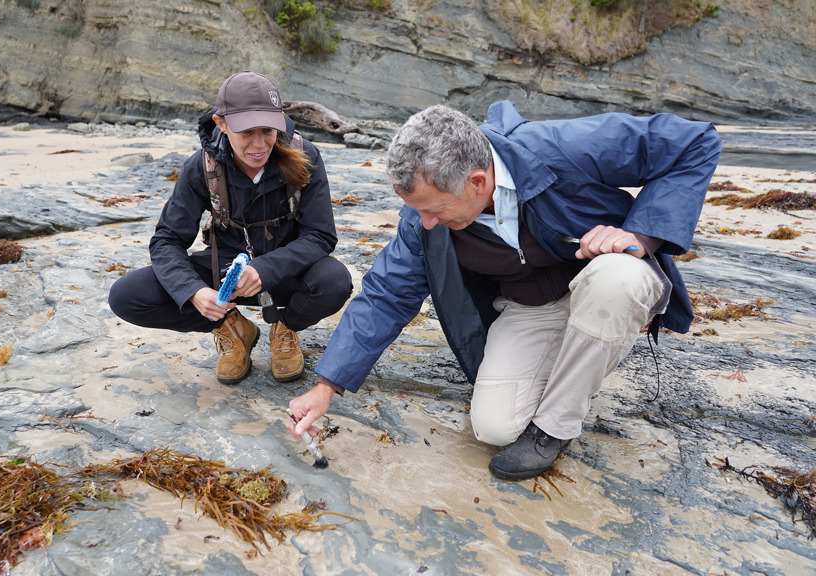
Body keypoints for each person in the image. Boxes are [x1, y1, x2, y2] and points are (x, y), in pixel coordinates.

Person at [287, 101, 721, 480]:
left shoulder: (562, 145)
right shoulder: (423, 216)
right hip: (530, 303)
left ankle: (556, 427)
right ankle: (579, 357)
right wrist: (326, 385)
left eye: (436, 209)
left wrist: (640, 235)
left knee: (617, 281)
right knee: (495, 428)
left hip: (604, 277)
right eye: (417, 210)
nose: (427, 223)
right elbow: (386, 294)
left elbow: (693, 141)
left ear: (478, 182)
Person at [108, 71, 352, 384]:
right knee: (126, 296)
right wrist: (193, 291)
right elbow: (167, 240)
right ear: (221, 123)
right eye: (247, 131)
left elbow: (320, 236)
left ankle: (285, 327)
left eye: (268, 130)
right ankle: (231, 327)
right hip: (224, 276)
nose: (260, 144)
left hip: (286, 274)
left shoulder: (306, 156)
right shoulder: (202, 166)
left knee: (335, 281)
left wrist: (265, 269)